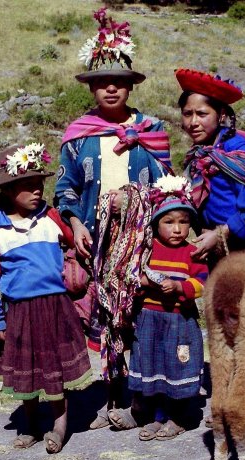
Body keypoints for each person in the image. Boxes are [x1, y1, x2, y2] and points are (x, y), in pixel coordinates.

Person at [54, 7, 172, 431]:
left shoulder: (150, 129)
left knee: (139, 314)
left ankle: (145, 397)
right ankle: (113, 396)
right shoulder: (78, 135)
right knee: (104, 319)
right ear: (91, 88)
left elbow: (167, 187)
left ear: (129, 86)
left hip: (139, 243)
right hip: (95, 244)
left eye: (118, 83)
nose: (110, 89)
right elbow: (64, 188)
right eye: (101, 82)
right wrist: (77, 222)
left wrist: (136, 203)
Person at [0, 143, 91, 454]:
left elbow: (73, 246)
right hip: (19, 311)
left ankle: (59, 423)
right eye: (28, 187)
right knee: (26, 372)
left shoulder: (51, 218)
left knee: (53, 369)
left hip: (55, 307)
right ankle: (30, 423)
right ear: (8, 190)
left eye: (39, 185)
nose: (37, 192)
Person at [127, 175, 208, 441]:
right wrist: (144, 282)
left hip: (179, 322)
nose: (177, 229)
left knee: (177, 366)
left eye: (183, 222)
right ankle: (152, 414)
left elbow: (202, 283)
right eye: (169, 222)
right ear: (155, 224)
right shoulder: (147, 250)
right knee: (152, 364)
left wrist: (179, 288)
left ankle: (180, 417)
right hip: (150, 320)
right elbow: (132, 278)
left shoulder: (192, 252)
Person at [174, 68, 245, 263]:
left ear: (221, 114)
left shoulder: (236, 150)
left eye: (201, 114)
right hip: (223, 245)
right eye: (187, 114)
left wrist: (221, 233)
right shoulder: (200, 152)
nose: (193, 122)